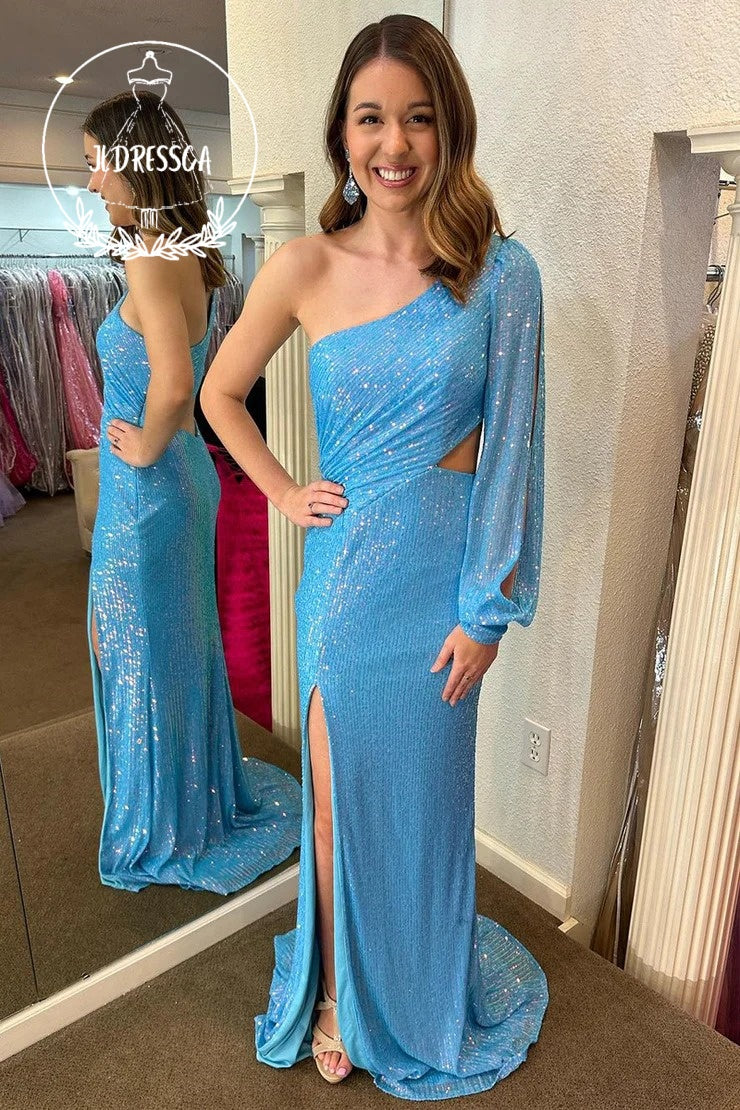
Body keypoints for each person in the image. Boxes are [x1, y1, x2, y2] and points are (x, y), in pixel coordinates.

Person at [200, 14, 547, 1100]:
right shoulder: (303, 264)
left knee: (427, 806)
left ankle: (417, 986)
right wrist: (282, 489)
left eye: (417, 118)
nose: (393, 144)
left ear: (449, 130)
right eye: (369, 119)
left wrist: (487, 611)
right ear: (342, 135)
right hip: (345, 593)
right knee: (333, 804)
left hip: (440, 597)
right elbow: (219, 393)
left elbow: (512, 453)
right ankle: (340, 992)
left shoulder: (500, 275)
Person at [83, 90, 301, 893]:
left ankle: (164, 817)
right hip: (180, 480)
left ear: (134, 163)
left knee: (132, 643)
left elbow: (176, 382)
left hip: (150, 486)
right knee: (175, 645)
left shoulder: (149, 255)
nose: (92, 180)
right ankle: (192, 796)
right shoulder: (190, 255)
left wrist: (142, 444)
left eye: (98, 162)